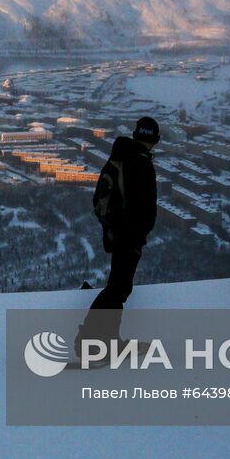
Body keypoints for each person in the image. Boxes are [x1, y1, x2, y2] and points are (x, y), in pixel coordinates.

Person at [76, 116, 160, 356]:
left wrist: (112, 229)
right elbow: (140, 205)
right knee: (118, 288)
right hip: (128, 234)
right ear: (155, 140)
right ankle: (90, 343)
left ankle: (108, 341)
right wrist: (136, 235)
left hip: (116, 230)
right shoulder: (139, 162)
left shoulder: (120, 155)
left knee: (119, 288)